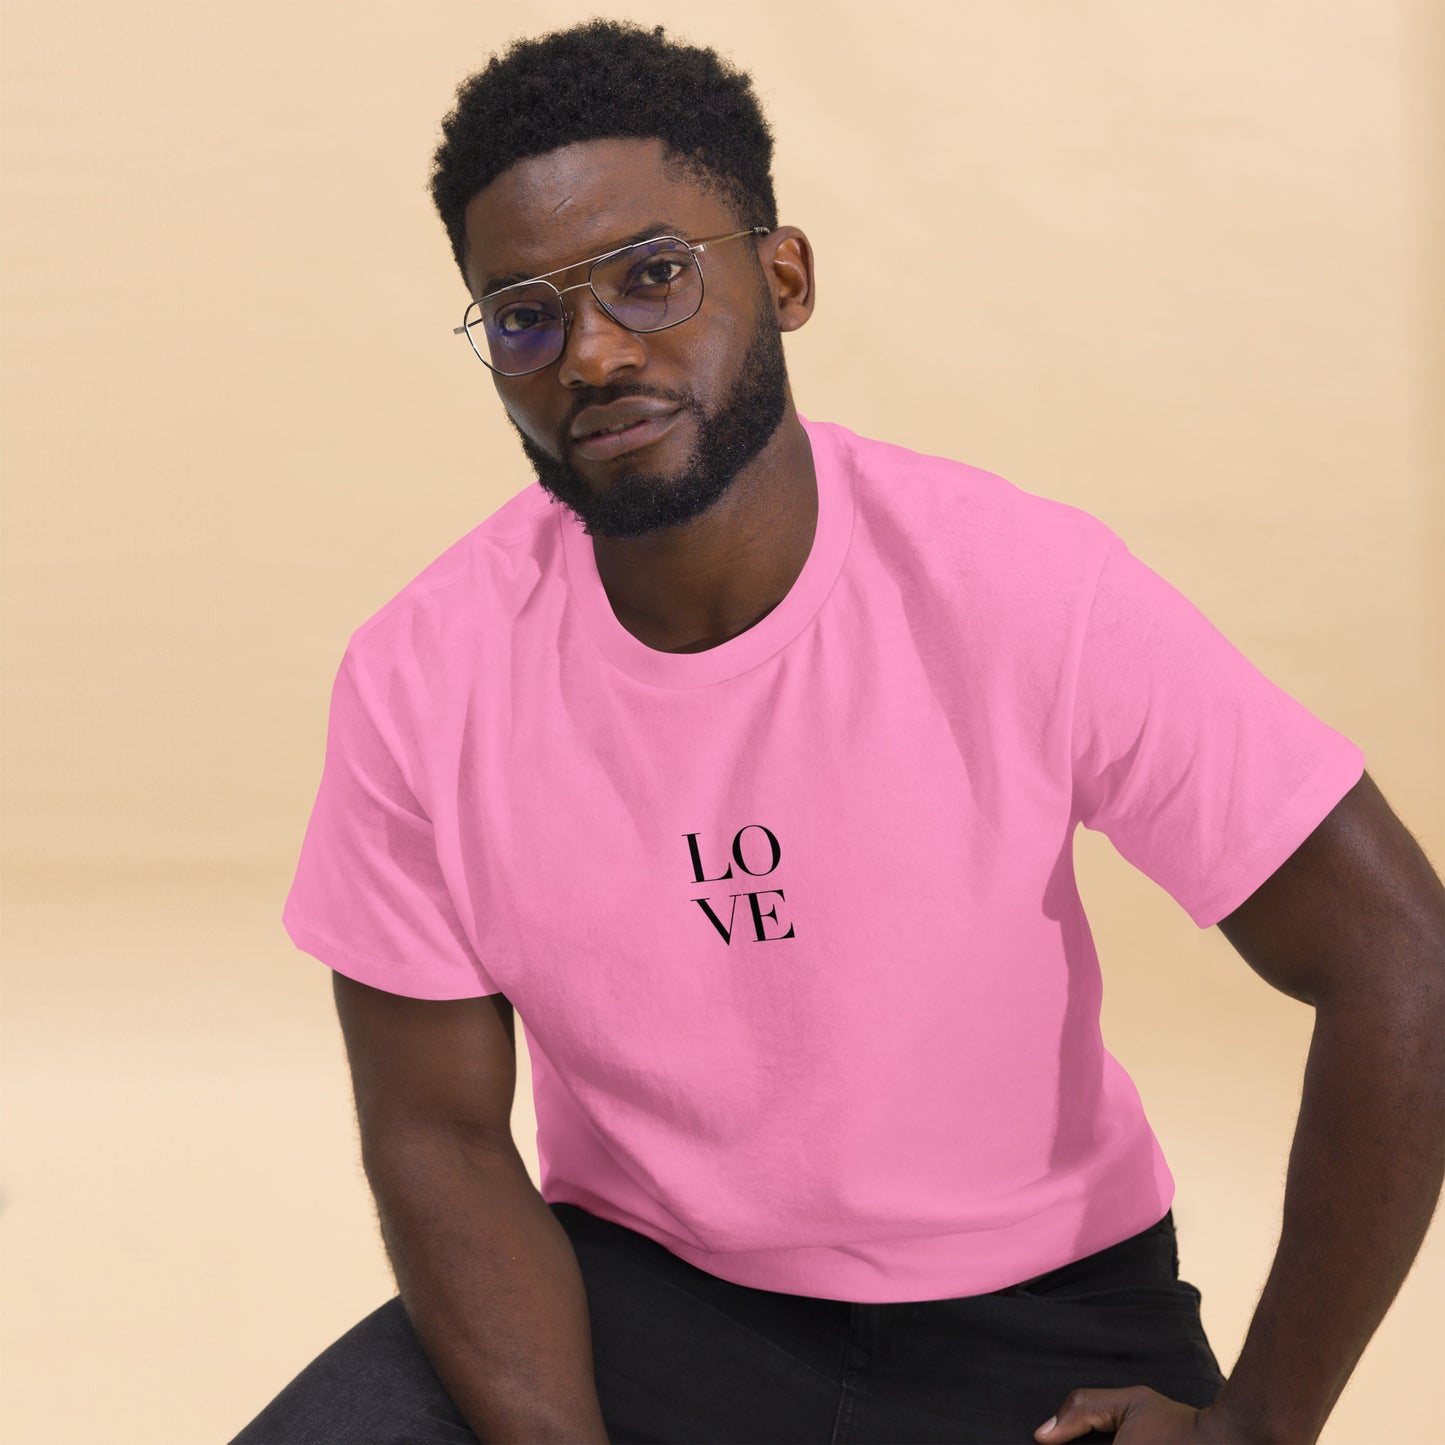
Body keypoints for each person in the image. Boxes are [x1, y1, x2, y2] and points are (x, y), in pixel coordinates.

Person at [232, 19, 1445, 1445]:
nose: (595, 352)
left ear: (783, 276)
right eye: (524, 316)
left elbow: (1400, 958)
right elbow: (433, 1129)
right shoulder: (419, 676)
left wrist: (1259, 1424)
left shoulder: (1020, 587)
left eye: (653, 274)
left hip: (1036, 1322)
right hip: (641, 1298)